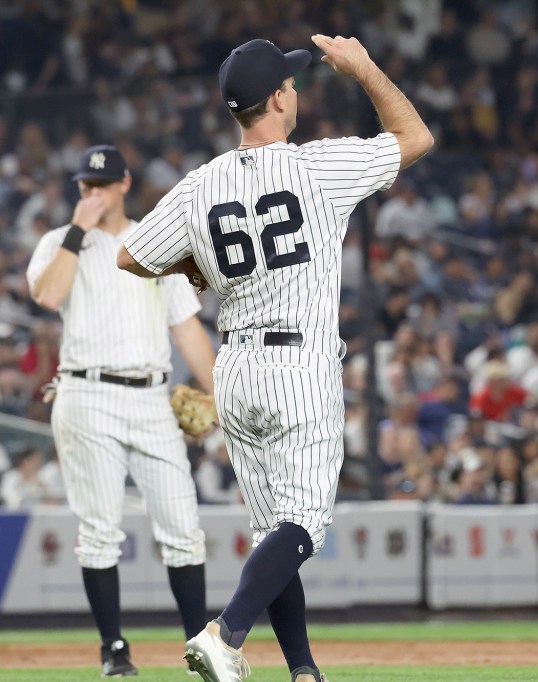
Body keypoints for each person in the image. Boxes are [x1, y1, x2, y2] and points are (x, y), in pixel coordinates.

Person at [117, 35, 433, 682]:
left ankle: (304, 672)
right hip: (299, 363)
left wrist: (195, 264)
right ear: (281, 98)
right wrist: (368, 69)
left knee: (274, 536)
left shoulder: (198, 185)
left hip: (235, 370)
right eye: (291, 84)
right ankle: (225, 633)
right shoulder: (317, 167)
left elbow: (130, 256)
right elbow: (415, 137)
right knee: (303, 528)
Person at [27, 144, 216, 677]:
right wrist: (76, 230)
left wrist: (221, 395)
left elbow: (187, 328)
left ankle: (200, 646)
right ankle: (114, 649)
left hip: (152, 397)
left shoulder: (151, 242)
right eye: (86, 186)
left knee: (183, 526)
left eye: (102, 185)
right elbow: (48, 295)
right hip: (85, 395)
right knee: (99, 530)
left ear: (125, 185)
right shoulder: (60, 243)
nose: (93, 194)